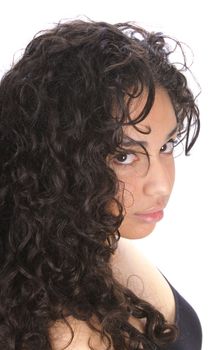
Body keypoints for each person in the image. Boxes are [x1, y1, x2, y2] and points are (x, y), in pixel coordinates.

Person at [0, 19, 202, 350]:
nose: (161, 185)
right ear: (59, 158)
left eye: (165, 146)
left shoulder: (98, 240)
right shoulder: (70, 334)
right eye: (124, 156)